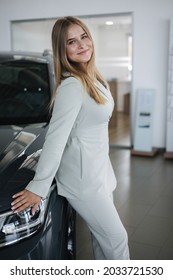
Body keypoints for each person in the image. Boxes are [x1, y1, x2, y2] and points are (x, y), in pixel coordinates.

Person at [11, 16, 130, 260]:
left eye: (84, 36)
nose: (82, 45)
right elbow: (55, 139)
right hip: (84, 181)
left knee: (103, 241)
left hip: (98, 173)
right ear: (62, 50)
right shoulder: (73, 86)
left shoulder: (93, 77)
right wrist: (39, 186)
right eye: (71, 42)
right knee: (117, 240)